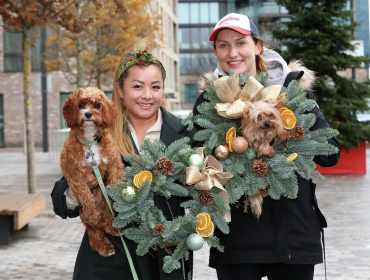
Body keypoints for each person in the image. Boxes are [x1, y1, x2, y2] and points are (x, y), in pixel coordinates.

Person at [193, 13, 340, 280]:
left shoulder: (294, 92)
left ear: (258, 46)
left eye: (241, 42)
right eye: (223, 45)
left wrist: (285, 134)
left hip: (292, 235)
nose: (232, 52)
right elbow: (194, 160)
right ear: (216, 52)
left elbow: (331, 152)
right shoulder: (209, 103)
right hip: (236, 238)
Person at [51, 42, 198, 280]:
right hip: (109, 261)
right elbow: (60, 203)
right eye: (137, 86)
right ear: (120, 90)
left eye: (155, 86)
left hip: (166, 263)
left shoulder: (184, 133)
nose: (147, 95)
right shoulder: (98, 132)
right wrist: (84, 185)